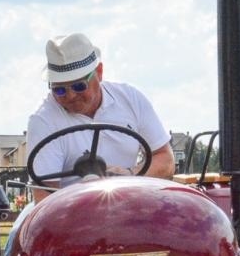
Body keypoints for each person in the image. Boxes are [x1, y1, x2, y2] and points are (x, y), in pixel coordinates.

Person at [25, 32, 175, 201]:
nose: (71, 95)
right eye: (59, 90)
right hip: (71, 215)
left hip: (132, 205)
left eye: (79, 86)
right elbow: (44, 196)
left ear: (99, 72)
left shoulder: (131, 99)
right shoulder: (43, 121)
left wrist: (131, 177)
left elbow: (165, 159)